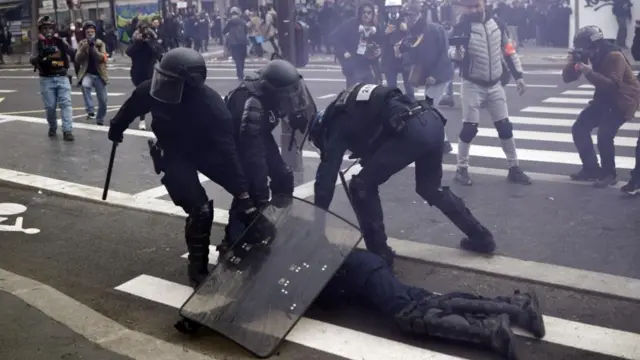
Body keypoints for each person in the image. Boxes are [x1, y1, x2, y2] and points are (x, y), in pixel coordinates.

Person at [107, 48, 268, 287]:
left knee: (250, 193)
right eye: (162, 77)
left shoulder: (213, 108)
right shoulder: (152, 90)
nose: (161, 85)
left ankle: (233, 241)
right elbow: (130, 109)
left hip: (205, 152)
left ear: (191, 84)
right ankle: (198, 271)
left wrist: (243, 195)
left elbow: (229, 154)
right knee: (200, 210)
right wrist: (116, 128)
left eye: (169, 82)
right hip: (173, 152)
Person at [309, 83, 496, 267]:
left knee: (361, 186)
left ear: (321, 131)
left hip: (411, 130)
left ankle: (380, 256)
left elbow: (325, 181)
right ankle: (481, 237)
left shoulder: (335, 124)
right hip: (431, 121)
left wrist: (317, 226)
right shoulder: (352, 106)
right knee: (430, 188)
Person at [318, 249, 545, 360]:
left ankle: (490, 330)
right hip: (358, 276)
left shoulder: (289, 246)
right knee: (428, 302)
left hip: (357, 272)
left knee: (409, 315)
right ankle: (517, 306)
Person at [220, 59, 314, 251]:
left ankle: (276, 221)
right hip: (235, 142)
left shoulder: (269, 95)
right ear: (271, 92)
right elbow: (253, 156)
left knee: (283, 176)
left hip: (259, 134)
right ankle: (232, 243)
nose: (289, 100)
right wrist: (262, 197)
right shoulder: (251, 106)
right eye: (286, 96)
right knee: (250, 191)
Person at [448, 0, 531, 186]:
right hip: (472, 84)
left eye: (476, 5)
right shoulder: (461, 27)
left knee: (505, 127)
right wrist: (456, 55)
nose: (473, 10)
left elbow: (508, 51)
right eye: (468, 7)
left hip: (495, 85)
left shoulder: (498, 24)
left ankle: (514, 168)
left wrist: (519, 76)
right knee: (469, 127)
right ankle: (461, 169)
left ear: (484, 3)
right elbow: (450, 50)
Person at [562, 25, 640, 188]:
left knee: (605, 134)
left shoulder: (614, 56)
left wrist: (588, 71)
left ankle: (609, 173)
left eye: (586, 48)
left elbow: (612, 86)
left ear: (595, 46)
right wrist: (573, 63)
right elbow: (567, 78)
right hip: (604, 98)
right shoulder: (588, 55)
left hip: (623, 99)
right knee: (580, 127)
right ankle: (591, 169)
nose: (585, 51)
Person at [30, 16, 74, 141]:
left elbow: (73, 53)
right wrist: (40, 56)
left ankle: (67, 130)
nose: (48, 30)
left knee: (66, 104)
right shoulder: (37, 44)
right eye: (45, 28)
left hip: (62, 76)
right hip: (46, 78)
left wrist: (64, 44)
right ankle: (53, 127)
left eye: (50, 28)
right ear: (40, 30)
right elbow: (32, 59)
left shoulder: (59, 41)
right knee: (50, 107)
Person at [75, 20, 109, 126]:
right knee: (85, 85)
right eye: (88, 32)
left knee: (103, 100)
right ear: (85, 33)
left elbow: (102, 58)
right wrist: (84, 48)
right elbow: (77, 59)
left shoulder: (100, 43)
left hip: (100, 75)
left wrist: (93, 48)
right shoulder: (82, 43)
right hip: (88, 74)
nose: (90, 34)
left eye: (92, 32)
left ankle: (100, 118)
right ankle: (90, 110)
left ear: (94, 32)